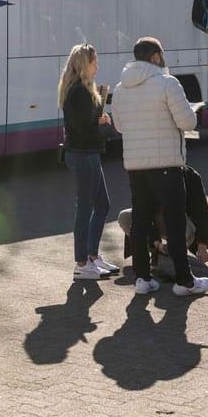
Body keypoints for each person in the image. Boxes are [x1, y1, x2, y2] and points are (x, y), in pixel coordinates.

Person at [115, 37, 208, 297]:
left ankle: (142, 279)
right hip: (167, 164)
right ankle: (184, 281)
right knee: (175, 220)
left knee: (140, 219)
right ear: (156, 56)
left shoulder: (121, 88)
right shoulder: (168, 83)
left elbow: (120, 126)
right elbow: (188, 122)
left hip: (135, 165)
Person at [60, 44, 115, 280]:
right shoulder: (80, 92)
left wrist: (100, 123)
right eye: (95, 61)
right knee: (85, 209)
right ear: (85, 64)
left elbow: (84, 127)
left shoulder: (79, 89)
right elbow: (86, 131)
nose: (98, 66)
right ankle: (81, 263)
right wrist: (104, 126)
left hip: (86, 153)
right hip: (84, 154)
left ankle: (91, 256)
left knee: (102, 205)